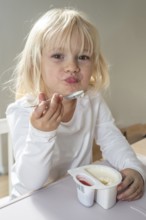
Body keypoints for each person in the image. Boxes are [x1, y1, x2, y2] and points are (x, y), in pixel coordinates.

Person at [6, 8, 145, 200]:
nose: (72, 67)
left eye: (83, 57)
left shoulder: (92, 100)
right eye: (58, 56)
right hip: (30, 202)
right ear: (36, 63)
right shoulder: (23, 111)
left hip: (75, 194)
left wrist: (134, 168)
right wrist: (41, 133)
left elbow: (112, 140)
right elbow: (30, 183)